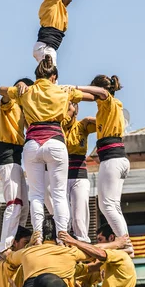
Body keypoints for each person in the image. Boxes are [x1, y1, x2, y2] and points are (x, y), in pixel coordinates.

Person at [0, 57, 96, 243]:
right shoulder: (61, 91)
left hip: (33, 143)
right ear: (54, 77)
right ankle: (62, 235)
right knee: (59, 194)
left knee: (36, 194)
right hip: (55, 142)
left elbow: (0, 90)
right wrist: (71, 89)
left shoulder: (27, 91)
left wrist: (19, 85)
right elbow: (91, 97)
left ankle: (38, 233)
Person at [82, 74, 130, 238]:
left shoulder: (108, 101)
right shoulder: (111, 108)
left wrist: (74, 88)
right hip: (118, 159)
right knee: (113, 205)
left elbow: (102, 94)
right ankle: (125, 241)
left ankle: (125, 242)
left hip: (112, 159)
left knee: (107, 205)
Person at [0, 78, 32, 254]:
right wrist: (17, 89)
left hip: (15, 158)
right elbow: (1, 91)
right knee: (14, 203)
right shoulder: (12, 104)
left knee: (24, 206)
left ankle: (18, 239)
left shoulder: (24, 109)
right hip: (6, 156)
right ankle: (6, 246)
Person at [62, 102, 96, 242]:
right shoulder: (57, 127)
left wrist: (91, 119)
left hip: (79, 176)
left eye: (70, 107)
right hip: (61, 177)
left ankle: (83, 242)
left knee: (79, 216)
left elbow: (103, 123)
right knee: (64, 216)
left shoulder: (82, 126)